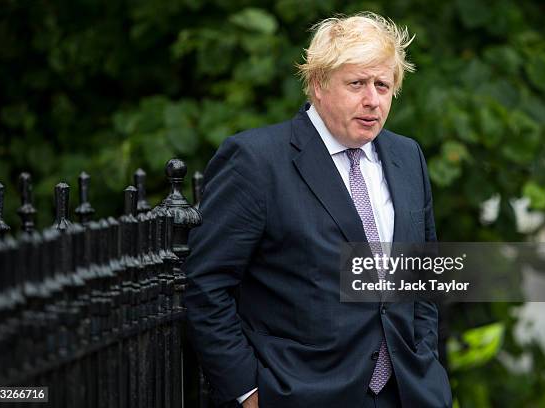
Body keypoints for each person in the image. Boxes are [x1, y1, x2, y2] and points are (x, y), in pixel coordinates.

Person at [184, 12, 452, 408]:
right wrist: (247, 392)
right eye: (357, 83)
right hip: (300, 395)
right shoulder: (256, 161)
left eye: (382, 85)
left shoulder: (406, 156)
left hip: (407, 393)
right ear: (317, 85)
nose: (372, 100)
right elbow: (206, 286)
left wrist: (423, 357)